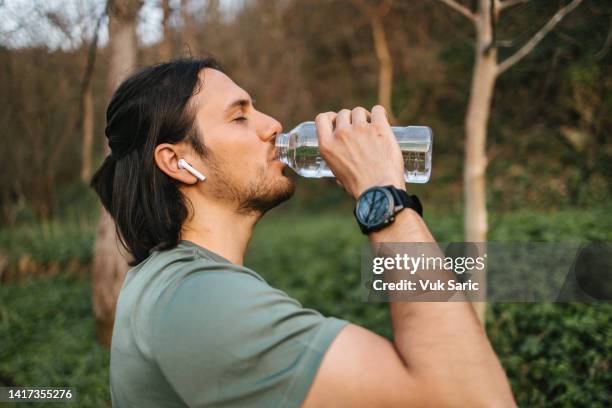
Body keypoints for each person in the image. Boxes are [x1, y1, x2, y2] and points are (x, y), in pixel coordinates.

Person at [91, 58, 516, 407]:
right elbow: (471, 398)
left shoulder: (172, 283)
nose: (273, 124)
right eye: (240, 116)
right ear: (177, 161)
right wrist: (384, 197)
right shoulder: (195, 300)